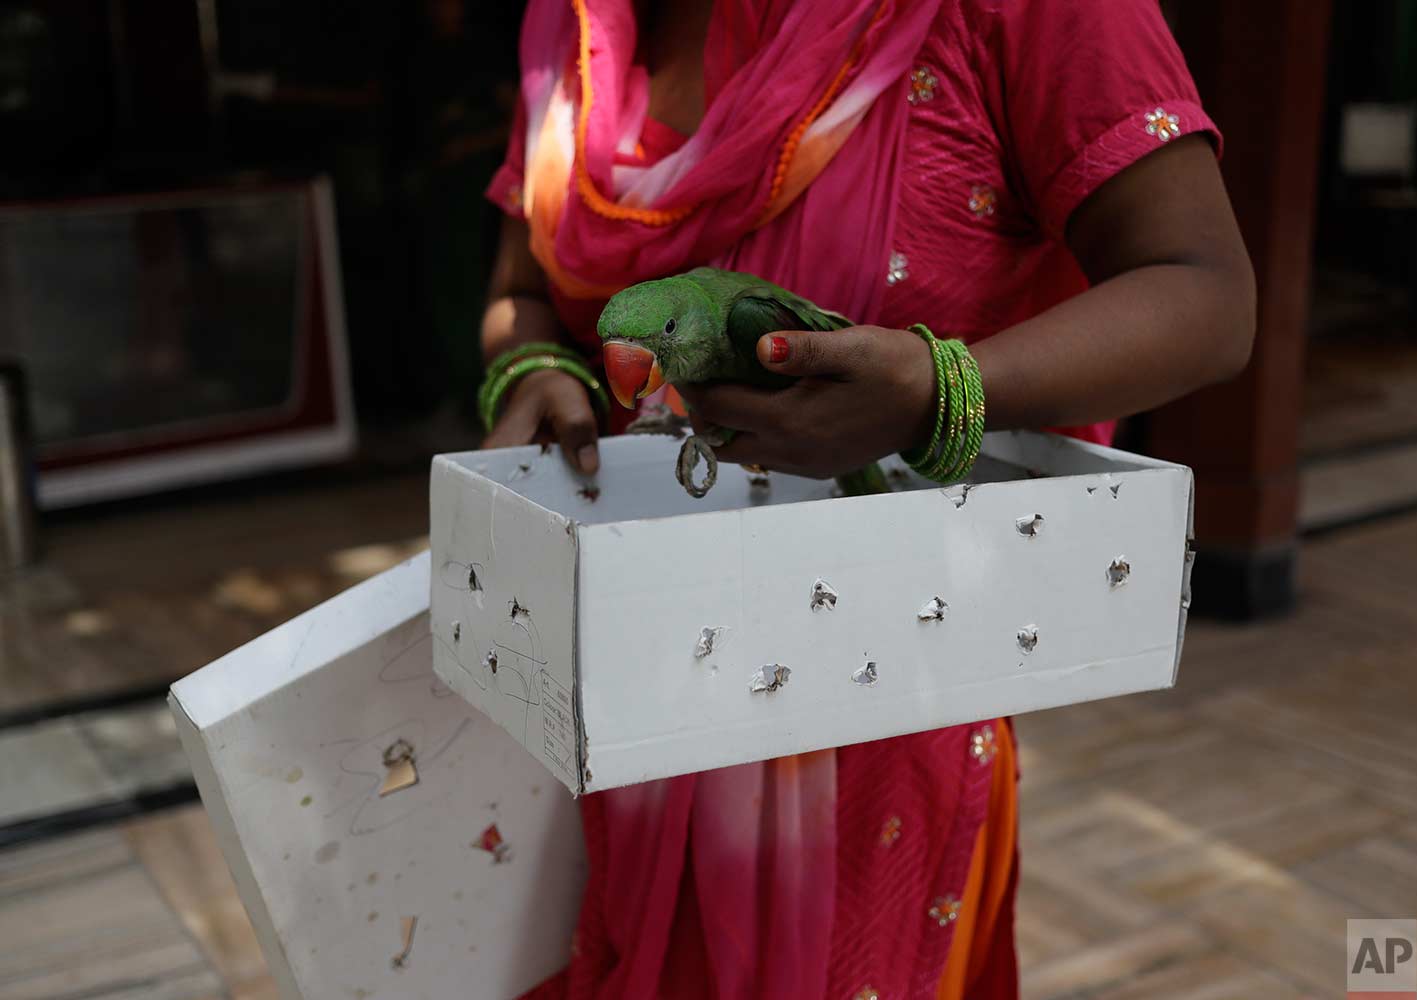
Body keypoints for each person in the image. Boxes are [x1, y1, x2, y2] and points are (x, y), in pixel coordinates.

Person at [478, 1, 1254, 996]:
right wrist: (535, 367)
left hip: (879, 724)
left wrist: (941, 388)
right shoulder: (582, 29)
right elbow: (523, 287)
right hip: (607, 709)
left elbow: (1208, 294)